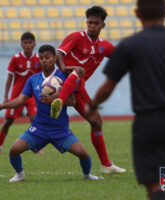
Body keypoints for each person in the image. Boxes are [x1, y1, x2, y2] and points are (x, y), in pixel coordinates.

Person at [85, 0, 165, 199]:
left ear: (137, 14)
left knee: (154, 187)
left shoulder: (130, 45)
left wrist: (92, 106)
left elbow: (108, 86)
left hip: (148, 123)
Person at [0, 45, 102, 182]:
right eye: (41, 58)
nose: (44, 61)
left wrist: (54, 98)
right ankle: (20, 175)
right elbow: (21, 99)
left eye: (47, 58)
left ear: (54, 58)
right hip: (39, 128)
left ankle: (87, 175)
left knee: (83, 154)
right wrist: (2, 106)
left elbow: (72, 101)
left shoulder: (64, 76)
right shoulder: (33, 79)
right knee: (14, 150)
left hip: (60, 129)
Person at [50, 5, 125, 174]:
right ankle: (59, 102)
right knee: (78, 70)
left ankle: (106, 165)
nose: (92, 26)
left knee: (96, 121)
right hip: (63, 82)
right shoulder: (77, 37)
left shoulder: (104, 46)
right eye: (90, 22)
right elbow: (59, 54)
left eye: (96, 23)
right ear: (86, 23)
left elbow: (121, 57)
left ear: (102, 26)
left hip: (79, 87)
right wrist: (63, 69)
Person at [0, 32, 42, 154]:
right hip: (17, 95)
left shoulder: (38, 59)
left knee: (34, 120)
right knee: (8, 121)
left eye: (30, 42)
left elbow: (41, 78)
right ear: (21, 44)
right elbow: (10, 78)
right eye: (25, 42)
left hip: (31, 96)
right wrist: (6, 96)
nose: (28, 45)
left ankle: (36, 147)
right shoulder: (15, 59)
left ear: (34, 44)